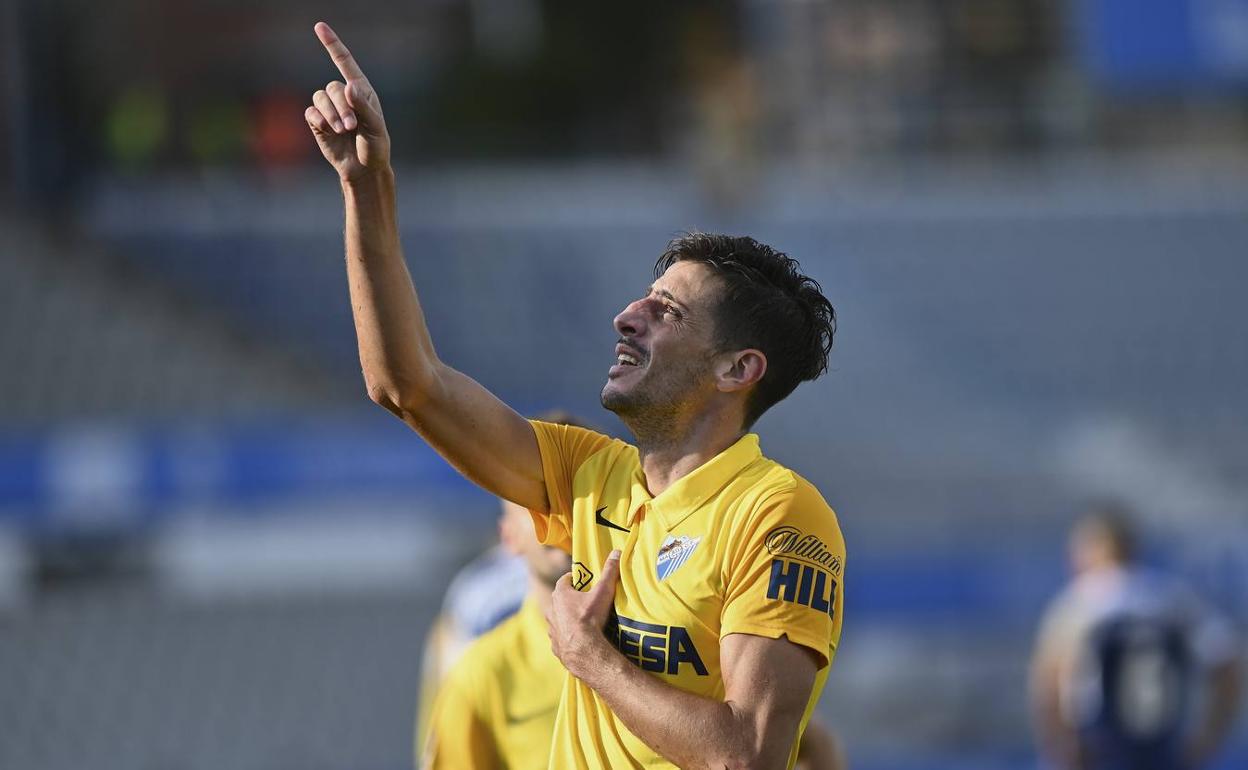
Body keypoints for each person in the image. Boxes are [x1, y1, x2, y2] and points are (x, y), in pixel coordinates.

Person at [305, 21, 846, 768]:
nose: (629, 316)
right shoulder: (586, 476)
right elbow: (406, 385)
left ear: (736, 370)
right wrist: (366, 186)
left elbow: (748, 755)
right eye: (642, 299)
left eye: (669, 312)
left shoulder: (779, 514)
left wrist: (591, 661)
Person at [1029, 505, 1244, 770]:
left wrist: (1060, 750)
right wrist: (1209, 736)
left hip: (1101, 750)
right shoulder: (1173, 598)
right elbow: (1228, 664)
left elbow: (1048, 684)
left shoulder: (1081, 601)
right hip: (1165, 751)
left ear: (1096, 547)